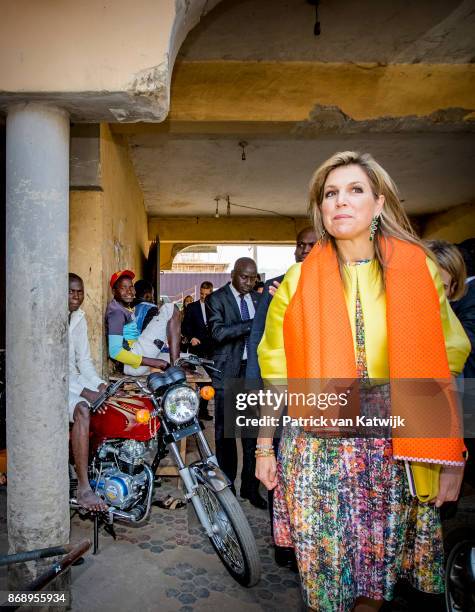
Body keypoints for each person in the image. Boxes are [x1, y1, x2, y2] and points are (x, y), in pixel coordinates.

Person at [256, 151, 470, 611]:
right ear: (321, 209)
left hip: (393, 454)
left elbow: (447, 362)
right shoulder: (295, 282)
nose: (341, 201)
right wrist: (262, 447)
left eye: (355, 190)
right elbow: (276, 375)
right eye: (330, 193)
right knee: (323, 587)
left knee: (374, 585)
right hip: (315, 454)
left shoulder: (416, 270)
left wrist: (451, 456)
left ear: (378, 204)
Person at [246, 226, 316, 570]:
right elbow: (260, 341)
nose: (305, 250)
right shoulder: (275, 287)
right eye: (300, 245)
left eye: (312, 245)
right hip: (282, 396)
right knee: (278, 471)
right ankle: (283, 544)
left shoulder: (343, 284)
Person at [207, 257, 266, 508]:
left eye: (253, 278)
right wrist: (251, 325)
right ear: (233, 274)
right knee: (226, 435)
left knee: (251, 433)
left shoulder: (258, 299)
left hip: (252, 372)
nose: (249, 282)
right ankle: (227, 487)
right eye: (244, 277)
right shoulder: (217, 299)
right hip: (227, 373)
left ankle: (250, 488)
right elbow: (218, 333)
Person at [69, 273, 108, 512]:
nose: (76, 296)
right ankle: (83, 487)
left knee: (107, 398)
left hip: (73, 381)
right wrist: (86, 391)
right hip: (49, 386)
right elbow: (54, 369)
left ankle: (103, 467)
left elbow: (83, 361)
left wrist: (99, 384)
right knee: (83, 408)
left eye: (80, 291)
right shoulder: (51, 317)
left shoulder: (79, 318)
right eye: (71, 291)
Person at [105, 270, 180, 376]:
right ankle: (175, 369)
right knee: (171, 309)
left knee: (187, 359)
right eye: (123, 288)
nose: (129, 291)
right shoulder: (117, 312)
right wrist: (155, 363)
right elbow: (114, 352)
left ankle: (176, 365)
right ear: (114, 291)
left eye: (131, 287)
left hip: (135, 357)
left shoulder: (123, 307)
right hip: (132, 363)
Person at [182, 281, 214, 420]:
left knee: (208, 382)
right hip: (196, 349)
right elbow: (185, 327)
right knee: (197, 381)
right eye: (201, 294)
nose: (204, 296)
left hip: (212, 349)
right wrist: (191, 338)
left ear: (211, 293)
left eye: (207, 294)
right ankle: (193, 413)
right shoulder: (192, 307)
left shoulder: (216, 307)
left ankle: (203, 410)